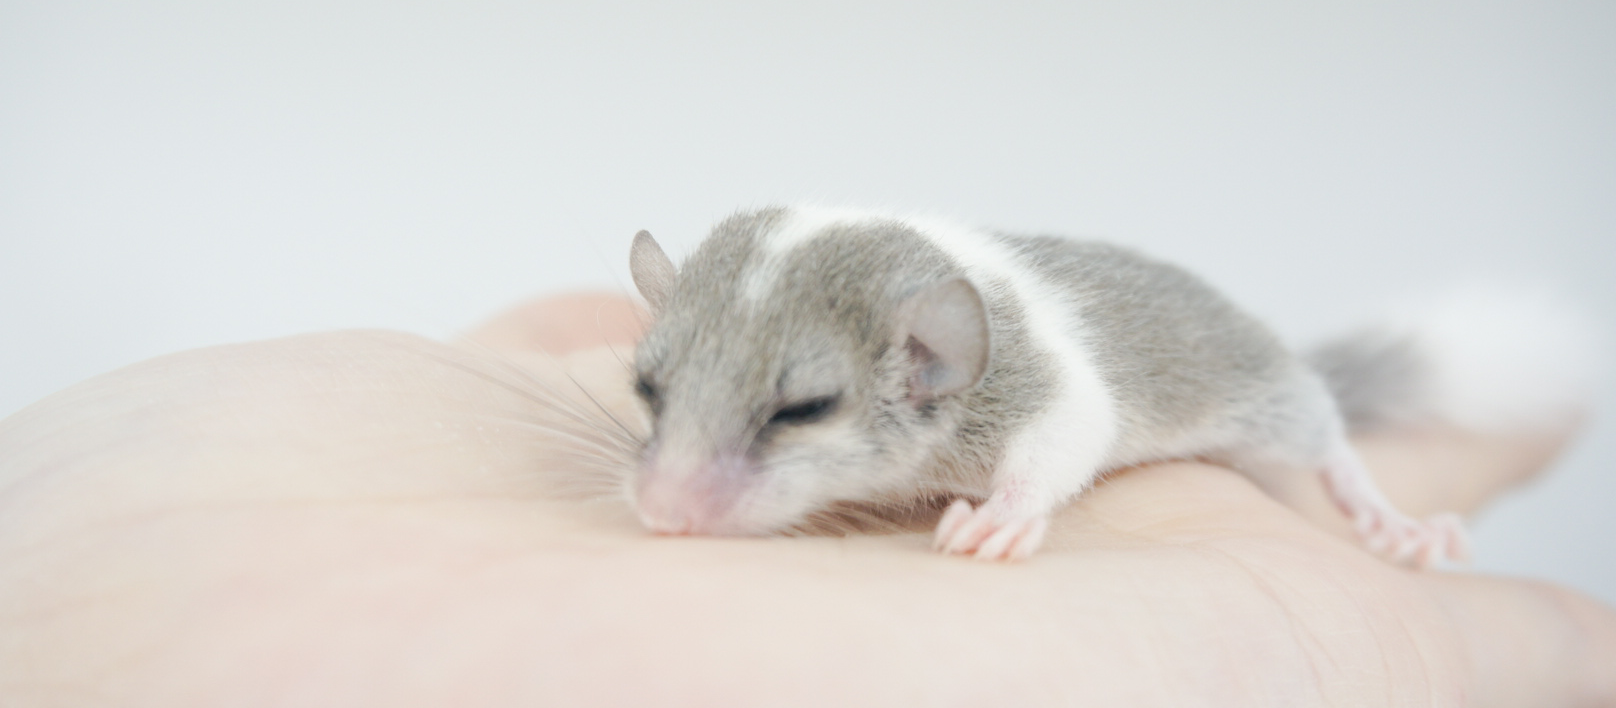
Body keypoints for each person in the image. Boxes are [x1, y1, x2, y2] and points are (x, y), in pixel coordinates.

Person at [1, 293, 1611, 706]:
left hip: (1218, 374)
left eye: (784, 423)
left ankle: (1376, 473)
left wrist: (1027, 504)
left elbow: (1076, 411)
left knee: (1291, 411)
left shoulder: (997, 382)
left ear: (927, 376)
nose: (671, 498)